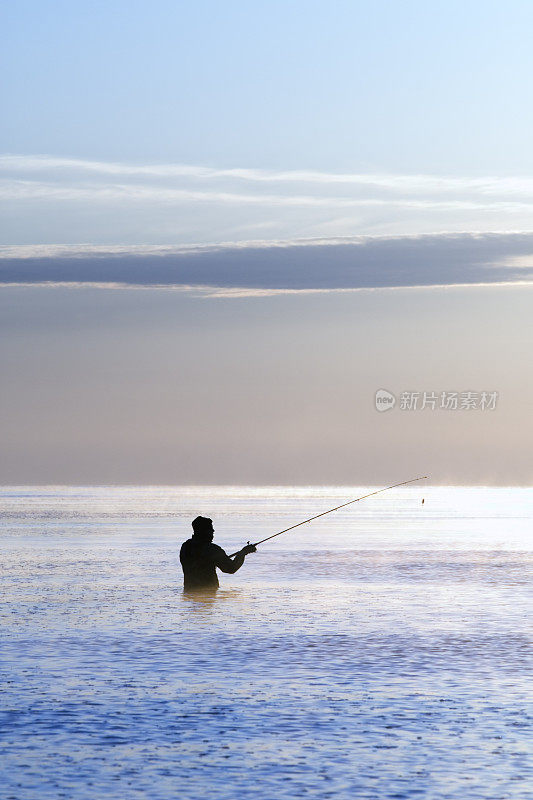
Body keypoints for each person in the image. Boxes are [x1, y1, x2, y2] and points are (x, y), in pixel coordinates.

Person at [180, 516, 256, 591]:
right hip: (209, 595)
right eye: (210, 529)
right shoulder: (212, 549)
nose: (213, 531)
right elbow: (231, 568)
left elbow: (199, 563)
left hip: (188, 592)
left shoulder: (185, 546)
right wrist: (243, 553)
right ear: (203, 531)